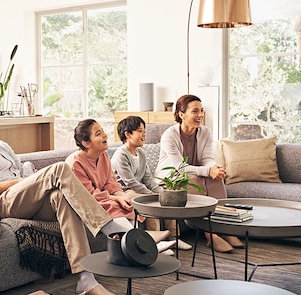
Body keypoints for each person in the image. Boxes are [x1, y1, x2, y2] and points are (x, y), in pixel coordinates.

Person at [0, 93, 136, 295]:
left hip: (24, 198)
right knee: (60, 168)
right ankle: (112, 229)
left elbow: (23, 170)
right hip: (2, 202)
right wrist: (21, 182)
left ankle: (86, 281)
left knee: (62, 197)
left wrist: (33, 176)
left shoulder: (2, 145)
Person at [65, 118, 175, 253]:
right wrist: (116, 198)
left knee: (127, 204)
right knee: (113, 206)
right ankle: (147, 243)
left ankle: (139, 247)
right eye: (98, 134)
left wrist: (121, 196)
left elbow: (110, 182)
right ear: (86, 143)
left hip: (103, 196)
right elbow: (88, 194)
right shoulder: (75, 163)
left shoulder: (103, 155)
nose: (105, 135)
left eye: (103, 131)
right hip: (85, 201)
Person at [156, 94, 243, 253]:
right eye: (195, 111)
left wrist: (214, 168)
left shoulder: (205, 132)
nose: (200, 115)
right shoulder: (169, 135)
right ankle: (211, 235)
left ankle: (225, 228)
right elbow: (180, 168)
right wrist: (207, 171)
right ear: (181, 114)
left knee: (216, 179)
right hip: (172, 178)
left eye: (201, 111)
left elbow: (206, 159)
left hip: (194, 172)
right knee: (195, 178)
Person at [111, 115, 192, 251]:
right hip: (125, 190)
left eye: (144, 131)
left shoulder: (141, 153)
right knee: (149, 202)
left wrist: (159, 191)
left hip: (138, 188)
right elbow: (130, 182)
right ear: (128, 134)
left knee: (167, 198)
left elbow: (148, 177)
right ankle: (154, 244)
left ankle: (173, 238)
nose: (144, 135)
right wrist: (149, 193)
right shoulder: (121, 155)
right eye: (140, 131)